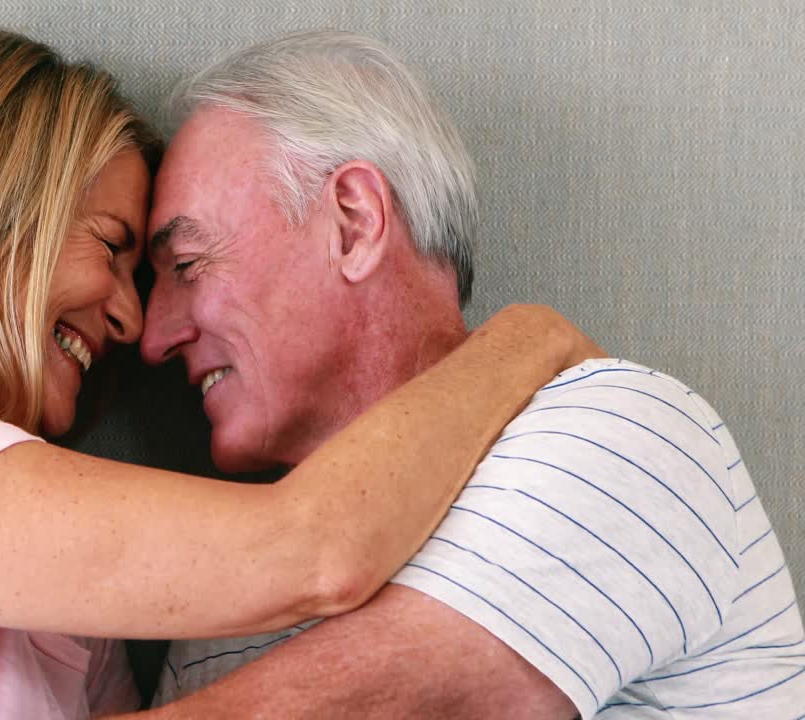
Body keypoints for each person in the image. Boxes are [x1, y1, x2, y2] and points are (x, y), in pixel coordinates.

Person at [0, 27, 600, 719]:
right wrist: (528, 339)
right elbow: (316, 553)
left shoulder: (75, 613)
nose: (131, 322)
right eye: (113, 247)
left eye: (167, 270)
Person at [130, 30, 805, 719]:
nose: (153, 340)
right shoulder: (226, 610)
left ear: (354, 223)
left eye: (187, 264)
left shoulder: (615, 435)